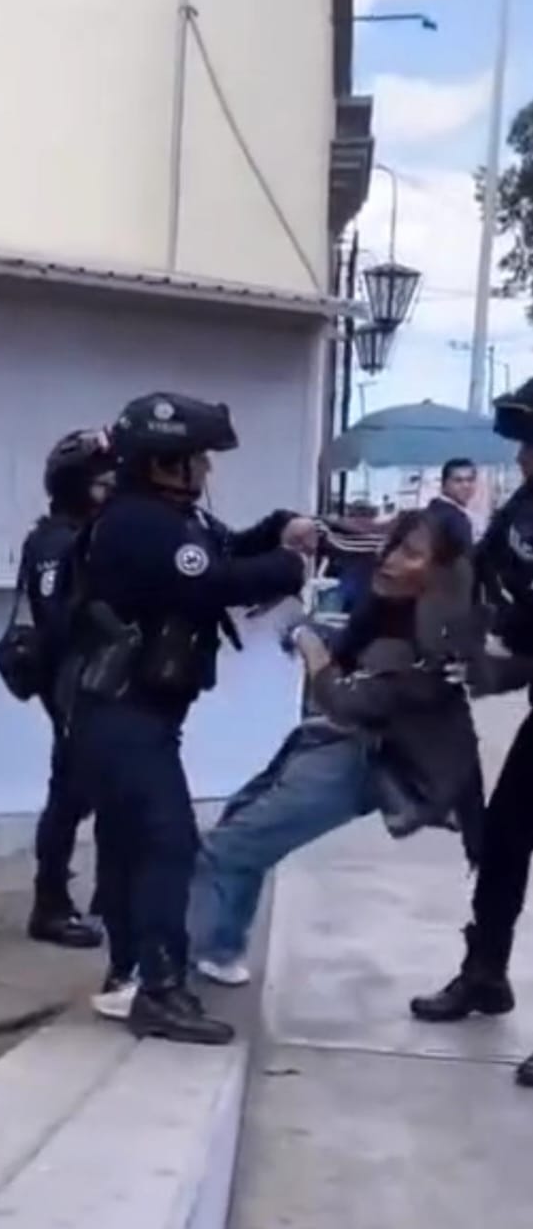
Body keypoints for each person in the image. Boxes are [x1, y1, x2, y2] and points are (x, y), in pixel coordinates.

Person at [63, 391, 314, 1045]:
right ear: (162, 463)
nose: (206, 468)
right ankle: (160, 989)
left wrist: (278, 527)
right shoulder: (137, 524)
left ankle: (130, 972)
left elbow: (222, 551)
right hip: (122, 716)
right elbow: (209, 583)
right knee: (166, 843)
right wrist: (288, 565)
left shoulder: (170, 518)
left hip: (129, 716)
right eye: (197, 457)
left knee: (130, 845)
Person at [187, 511, 482, 986]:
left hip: (361, 756)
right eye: (393, 545)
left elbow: (343, 699)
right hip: (335, 738)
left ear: (442, 573)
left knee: (230, 846)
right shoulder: (389, 603)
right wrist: (299, 531)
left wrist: (307, 640)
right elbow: (344, 544)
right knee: (240, 823)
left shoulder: (434, 649)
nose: (390, 559)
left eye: (411, 553)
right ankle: (217, 950)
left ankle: (173, 969)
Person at [411, 380, 533, 1073]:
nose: (521, 458)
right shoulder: (523, 507)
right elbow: (482, 573)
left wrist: (506, 660)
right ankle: (484, 970)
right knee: (504, 838)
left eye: (531, 445)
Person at [20, 430, 115, 949]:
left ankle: (97, 899)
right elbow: (58, 621)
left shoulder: (72, 534)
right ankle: (51, 905)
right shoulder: (60, 542)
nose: (112, 489)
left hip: (80, 682)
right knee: (71, 796)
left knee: (88, 792)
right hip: (75, 684)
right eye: (103, 482)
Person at [428, 457, 478, 552]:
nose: (466, 486)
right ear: (444, 484)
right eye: (458, 481)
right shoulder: (454, 519)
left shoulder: (434, 508)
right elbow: (465, 557)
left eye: (470, 480)